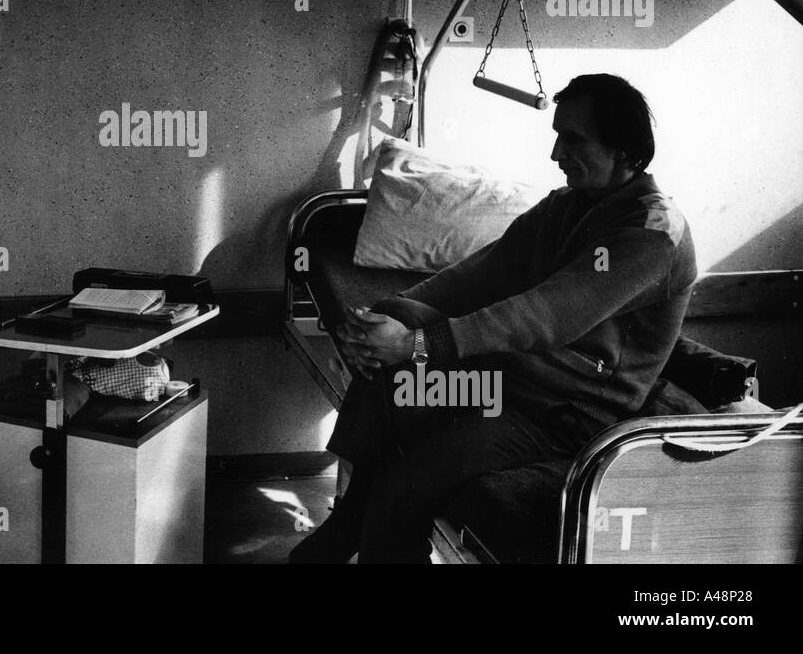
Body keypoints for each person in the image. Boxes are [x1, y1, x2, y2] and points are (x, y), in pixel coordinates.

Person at [291, 73, 698, 563]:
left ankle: (358, 522)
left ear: (624, 147)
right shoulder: (568, 207)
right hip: (508, 382)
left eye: (573, 139)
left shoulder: (649, 233)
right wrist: (382, 324)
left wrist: (415, 347)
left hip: (566, 414)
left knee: (405, 484)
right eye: (557, 136)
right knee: (397, 317)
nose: (555, 154)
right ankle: (352, 515)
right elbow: (480, 274)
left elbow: (544, 314)